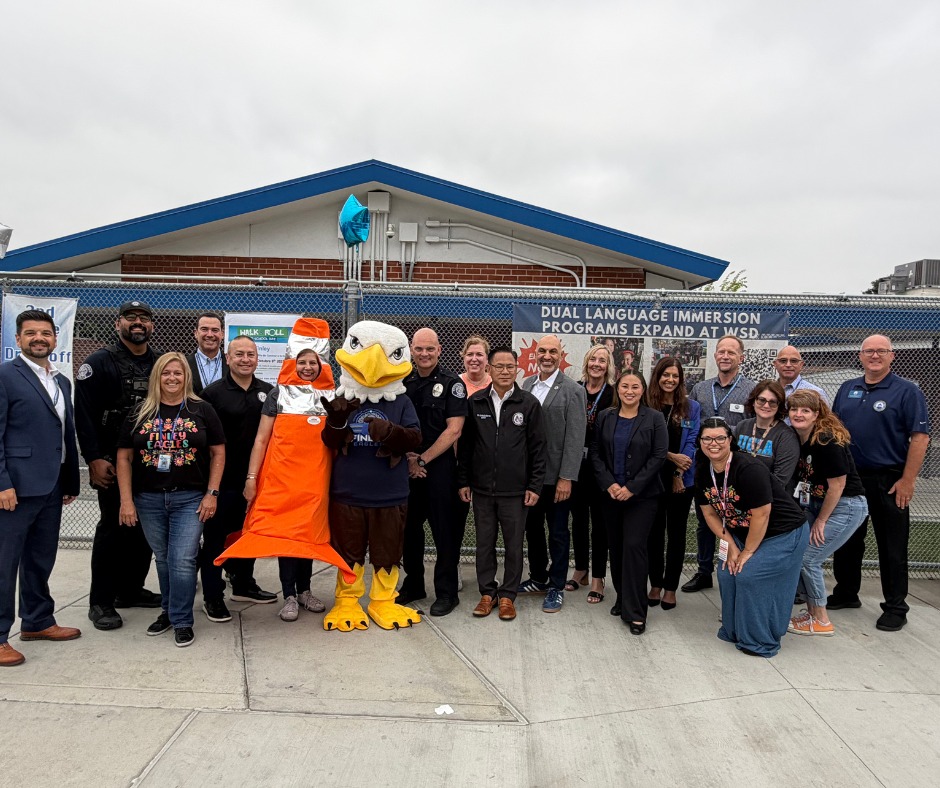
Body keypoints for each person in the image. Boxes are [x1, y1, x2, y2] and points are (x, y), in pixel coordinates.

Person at [116, 352, 225, 647]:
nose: (172, 378)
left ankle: (181, 620)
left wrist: (211, 494)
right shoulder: (140, 412)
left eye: (178, 373)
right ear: (157, 377)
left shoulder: (202, 410)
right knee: (163, 559)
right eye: (166, 373)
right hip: (148, 499)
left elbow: (218, 452)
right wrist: (126, 501)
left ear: (186, 376)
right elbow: (124, 457)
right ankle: (168, 610)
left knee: (182, 560)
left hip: (190, 498)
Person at [829, 334, 931, 632]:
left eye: (881, 351)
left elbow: (920, 437)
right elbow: (834, 430)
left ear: (892, 356)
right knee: (847, 541)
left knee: (892, 546)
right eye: (869, 351)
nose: (874, 356)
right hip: (851, 479)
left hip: (889, 480)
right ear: (860, 356)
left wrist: (907, 481)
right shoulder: (848, 388)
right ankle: (847, 593)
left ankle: (896, 606)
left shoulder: (907, 391)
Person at [0, 310, 82, 667]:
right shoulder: (5, 376)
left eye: (46, 333)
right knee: (4, 564)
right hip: (15, 489)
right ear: (17, 339)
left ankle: (37, 621)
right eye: (31, 333)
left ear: (54, 339)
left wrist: (68, 481)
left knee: (40, 559)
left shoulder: (61, 381)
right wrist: (2, 483)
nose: (39, 339)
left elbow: (64, 434)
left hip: (50, 486)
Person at [76, 300, 162, 631]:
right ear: (118, 324)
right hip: (111, 461)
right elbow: (83, 415)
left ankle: (130, 589)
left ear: (151, 326)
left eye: (144, 318)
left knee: (144, 529)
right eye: (131, 318)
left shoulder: (158, 363)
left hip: (152, 461)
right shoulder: (99, 362)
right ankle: (100, 600)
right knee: (112, 528)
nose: (138, 323)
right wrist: (94, 458)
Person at [694, 417, 809, 657]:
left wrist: (746, 552)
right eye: (707, 438)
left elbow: (762, 514)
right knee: (727, 572)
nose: (713, 443)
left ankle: (760, 641)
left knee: (750, 574)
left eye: (720, 438)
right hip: (740, 533)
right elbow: (708, 513)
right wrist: (729, 543)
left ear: (730, 440)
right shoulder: (703, 469)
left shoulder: (749, 468)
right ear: (700, 442)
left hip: (782, 532)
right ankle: (734, 630)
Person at [458, 347, 546, 622]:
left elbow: (538, 449)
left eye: (510, 366)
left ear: (517, 369)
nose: (505, 371)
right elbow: (466, 447)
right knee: (484, 543)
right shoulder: (476, 402)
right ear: (490, 369)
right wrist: (464, 481)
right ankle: (488, 593)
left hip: (516, 492)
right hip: (482, 490)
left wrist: (534, 485)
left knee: (513, 546)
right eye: (499, 366)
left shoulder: (529, 404)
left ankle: (507, 596)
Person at [244, 349, 330, 622]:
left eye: (312, 363)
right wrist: (252, 478)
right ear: (293, 364)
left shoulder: (330, 395)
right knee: (285, 537)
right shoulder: (277, 394)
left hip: (314, 481)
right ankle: (290, 595)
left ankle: (305, 591)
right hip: (283, 480)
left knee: (306, 536)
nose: (306, 367)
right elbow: (261, 439)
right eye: (301, 362)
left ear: (320, 366)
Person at [198, 336, 278, 624]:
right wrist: (210, 486)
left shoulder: (269, 393)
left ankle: (243, 584)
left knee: (248, 535)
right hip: (223, 481)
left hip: (257, 481)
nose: (246, 359)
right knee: (216, 541)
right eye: (239, 354)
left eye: (251, 354)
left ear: (258, 359)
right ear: (227, 358)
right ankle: (213, 595)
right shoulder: (212, 394)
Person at [590, 371, 667, 635]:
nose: (630, 391)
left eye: (635, 386)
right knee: (617, 547)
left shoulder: (654, 419)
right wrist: (609, 484)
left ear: (643, 390)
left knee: (634, 547)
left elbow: (658, 457)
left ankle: (636, 612)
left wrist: (632, 488)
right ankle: (623, 597)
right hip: (610, 495)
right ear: (618, 389)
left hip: (642, 497)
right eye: (625, 386)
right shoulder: (605, 417)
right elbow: (596, 454)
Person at [787, 390, 869, 636]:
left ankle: (821, 619)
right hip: (816, 502)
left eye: (805, 410)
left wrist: (821, 520)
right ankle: (811, 614)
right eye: (794, 409)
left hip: (845, 506)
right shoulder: (799, 437)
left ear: (816, 414)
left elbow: (838, 485)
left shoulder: (826, 440)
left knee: (809, 558)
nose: (798, 414)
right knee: (801, 554)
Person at [397, 328, 466, 617]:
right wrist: (408, 459)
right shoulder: (401, 383)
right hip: (407, 468)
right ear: (411, 350)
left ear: (440, 350)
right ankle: (414, 585)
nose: (424, 354)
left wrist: (421, 460)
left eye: (430, 349)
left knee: (444, 533)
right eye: (419, 349)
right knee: (408, 531)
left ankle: (447, 593)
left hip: (438, 469)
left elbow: (454, 430)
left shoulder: (452, 384)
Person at [518, 335, 587, 613]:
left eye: (553, 352)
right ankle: (538, 578)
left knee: (558, 533)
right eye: (542, 351)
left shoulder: (572, 390)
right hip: (530, 478)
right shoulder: (526, 385)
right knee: (532, 530)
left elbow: (575, 437)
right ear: (536, 354)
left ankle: (556, 585)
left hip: (557, 479)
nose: (547, 356)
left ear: (560, 355)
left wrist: (566, 477)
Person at [683, 335, 756, 593]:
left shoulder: (751, 390)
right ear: (715, 355)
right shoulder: (701, 389)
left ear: (741, 357)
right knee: (706, 520)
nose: (725, 356)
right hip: (705, 466)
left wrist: (725, 432)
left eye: (731, 352)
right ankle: (704, 572)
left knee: (737, 521)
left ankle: (739, 568)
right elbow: (690, 424)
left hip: (736, 468)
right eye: (721, 351)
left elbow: (754, 428)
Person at [645, 357, 700, 611]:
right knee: (654, 534)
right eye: (665, 375)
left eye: (675, 376)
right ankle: (655, 584)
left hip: (681, 481)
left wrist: (678, 472)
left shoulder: (691, 407)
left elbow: (692, 442)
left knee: (676, 535)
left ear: (680, 379)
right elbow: (646, 442)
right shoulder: (648, 405)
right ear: (657, 376)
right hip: (652, 479)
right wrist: (668, 456)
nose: (670, 380)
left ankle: (670, 588)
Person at [567, 345, 615, 603]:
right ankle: (581, 570)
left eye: (603, 360)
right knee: (578, 519)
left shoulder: (614, 394)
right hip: (576, 464)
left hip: (601, 466)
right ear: (586, 362)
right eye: (593, 359)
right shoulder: (576, 389)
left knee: (600, 523)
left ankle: (598, 577)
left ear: (608, 366)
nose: (597, 364)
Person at [733, 380, 800, 494]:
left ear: (779, 406)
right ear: (753, 401)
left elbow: (780, 480)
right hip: (737, 493)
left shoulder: (786, 436)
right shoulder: (742, 426)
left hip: (769, 499)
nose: (766, 405)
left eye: (773, 402)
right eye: (761, 400)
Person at [186, 312, 229, 395]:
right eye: (204, 329)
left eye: (215, 330)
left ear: (222, 334)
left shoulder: (231, 363)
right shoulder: (184, 363)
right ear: (196, 333)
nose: (210, 335)